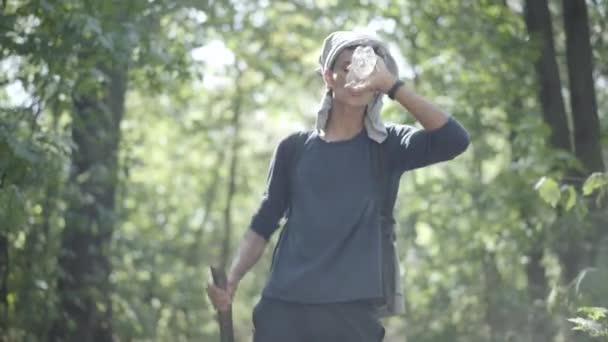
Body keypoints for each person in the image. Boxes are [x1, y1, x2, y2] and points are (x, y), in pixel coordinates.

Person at [206, 31, 470, 342]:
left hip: (351, 315)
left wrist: (392, 87)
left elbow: (454, 140)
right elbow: (264, 222)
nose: (355, 74)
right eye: (346, 66)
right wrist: (233, 279)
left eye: (367, 67)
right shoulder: (294, 148)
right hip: (283, 308)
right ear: (328, 76)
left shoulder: (389, 145)